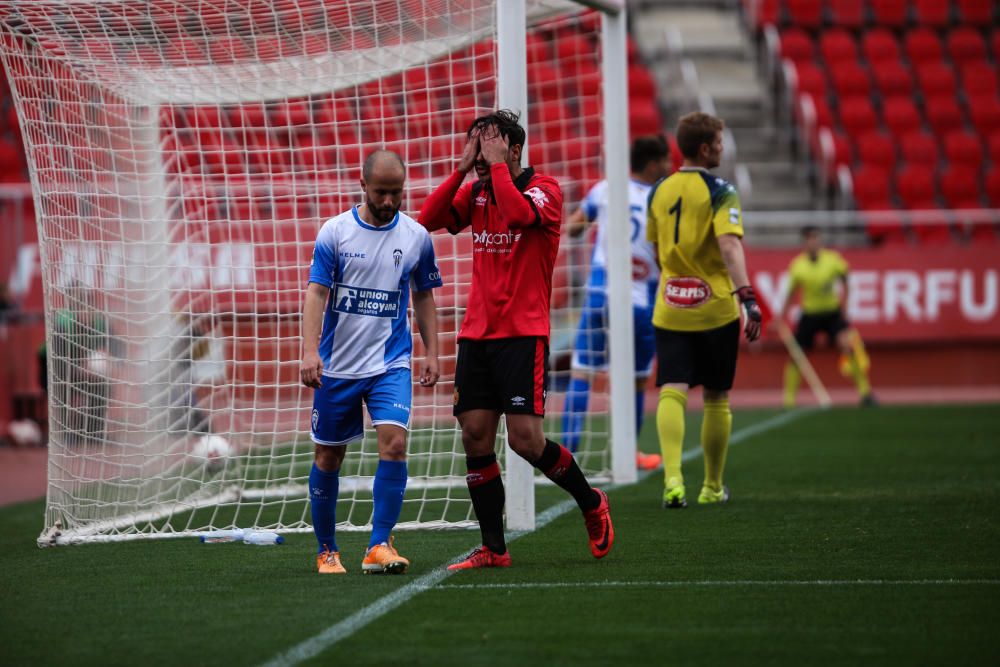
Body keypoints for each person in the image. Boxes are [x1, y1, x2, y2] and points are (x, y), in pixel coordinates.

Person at [420, 109, 614, 570]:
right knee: (474, 436)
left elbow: (517, 214)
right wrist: (462, 169)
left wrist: (498, 169)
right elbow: (427, 219)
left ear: (514, 148)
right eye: (477, 144)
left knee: (526, 441)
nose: (482, 153)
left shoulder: (544, 189)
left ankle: (591, 502)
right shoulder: (478, 190)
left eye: (489, 144)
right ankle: (494, 548)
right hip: (476, 334)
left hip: (523, 333)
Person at [300, 150, 442, 575]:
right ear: (362, 186)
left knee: (395, 444)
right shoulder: (335, 233)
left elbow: (423, 295)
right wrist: (309, 351)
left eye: (396, 193)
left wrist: (433, 351)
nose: (389, 201)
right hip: (338, 366)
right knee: (329, 457)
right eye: (381, 192)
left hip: (389, 363)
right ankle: (327, 550)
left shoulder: (416, 236)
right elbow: (316, 294)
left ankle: (379, 544)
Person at [646, 111, 762, 509]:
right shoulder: (722, 190)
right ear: (704, 147)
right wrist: (746, 296)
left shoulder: (658, 191)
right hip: (714, 306)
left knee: (671, 388)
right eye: (718, 142)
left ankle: (673, 479)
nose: (721, 147)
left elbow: (658, 250)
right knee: (716, 396)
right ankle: (712, 487)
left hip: (670, 305)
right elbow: (729, 246)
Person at [562, 136, 673, 471]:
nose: (670, 168)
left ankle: (567, 455)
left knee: (582, 371)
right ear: (653, 164)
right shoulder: (663, 198)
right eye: (666, 162)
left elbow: (574, 227)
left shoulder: (605, 190)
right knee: (637, 378)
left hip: (599, 294)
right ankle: (629, 452)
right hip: (639, 301)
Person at [778, 226, 875, 408]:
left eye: (815, 238)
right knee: (796, 355)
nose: (813, 242)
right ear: (804, 243)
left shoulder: (833, 260)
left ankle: (865, 393)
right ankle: (789, 400)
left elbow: (846, 281)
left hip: (832, 312)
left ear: (820, 241)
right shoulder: (797, 265)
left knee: (848, 345)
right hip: (810, 314)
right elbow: (791, 294)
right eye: (809, 239)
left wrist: (845, 306)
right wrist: (780, 317)